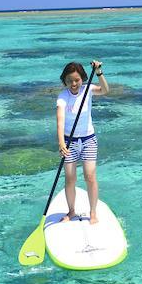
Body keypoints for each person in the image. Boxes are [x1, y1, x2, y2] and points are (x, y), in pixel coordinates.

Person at [56, 59, 108, 224]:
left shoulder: (88, 90)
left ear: (82, 79)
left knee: (90, 176)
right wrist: (61, 144)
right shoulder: (62, 97)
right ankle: (71, 211)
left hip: (88, 140)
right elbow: (60, 121)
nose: (74, 83)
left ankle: (93, 213)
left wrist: (99, 72)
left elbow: (106, 90)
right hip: (68, 141)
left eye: (77, 80)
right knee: (70, 178)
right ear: (65, 80)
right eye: (70, 80)